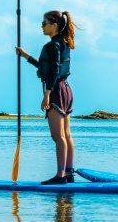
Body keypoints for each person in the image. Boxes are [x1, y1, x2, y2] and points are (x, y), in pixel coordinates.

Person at [16, 11, 77, 185]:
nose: (41, 26)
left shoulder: (51, 46)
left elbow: (54, 71)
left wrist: (47, 95)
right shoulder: (64, 44)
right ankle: (68, 172)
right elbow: (48, 67)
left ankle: (60, 176)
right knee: (66, 134)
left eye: (44, 23)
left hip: (56, 91)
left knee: (58, 137)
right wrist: (25, 56)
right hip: (66, 90)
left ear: (54, 25)